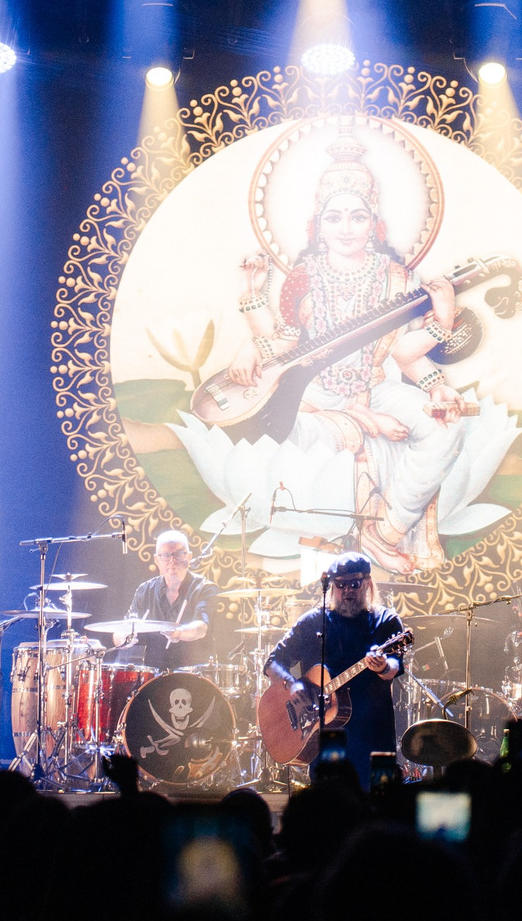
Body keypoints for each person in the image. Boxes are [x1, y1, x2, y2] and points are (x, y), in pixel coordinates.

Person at [221, 133, 471, 575]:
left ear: (373, 221)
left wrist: (439, 364)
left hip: (375, 388)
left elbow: (403, 355)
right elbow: (287, 342)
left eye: (357, 217)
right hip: (314, 400)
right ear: (319, 223)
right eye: (334, 217)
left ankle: (386, 531)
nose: (346, 228)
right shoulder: (303, 276)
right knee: (310, 446)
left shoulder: (397, 276)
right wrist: (249, 308)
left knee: (445, 429)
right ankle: (342, 529)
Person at [266, 550, 408, 784]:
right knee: (330, 807)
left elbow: (395, 665)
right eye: (341, 585)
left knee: (381, 802)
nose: (348, 591)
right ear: (332, 586)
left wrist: (382, 666)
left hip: (374, 732)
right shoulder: (313, 622)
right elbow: (274, 661)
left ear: (368, 583)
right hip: (325, 737)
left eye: (355, 583)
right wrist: (291, 684)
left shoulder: (387, 620)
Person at [121, 530, 216, 671]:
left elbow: (201, 628)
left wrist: (179, 633)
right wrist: (124, 638)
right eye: (166, 555)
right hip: (153, 678)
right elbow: (122, 630)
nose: (172, 561)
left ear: (189, 557)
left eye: (178, 554)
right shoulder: (145, 590)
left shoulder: (204, 588)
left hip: (195, 676)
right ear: (157, 560)